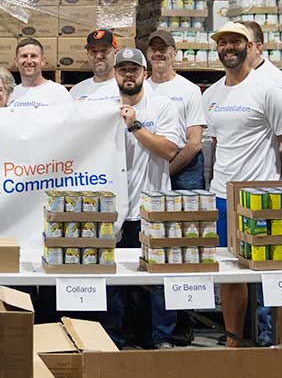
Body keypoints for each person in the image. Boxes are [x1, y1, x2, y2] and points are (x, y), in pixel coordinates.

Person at [203, 21, 282, 347]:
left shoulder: (270, 89)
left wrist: (279, 184)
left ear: (250, 46)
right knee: (230, 275)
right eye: (223, 42)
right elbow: (218, 143)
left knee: (279, 276)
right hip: (223, 197)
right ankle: (234, 345)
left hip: (265, 198)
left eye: (235, 41)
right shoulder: (212, 94)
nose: (228, 48)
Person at [99, 48, 185, 350]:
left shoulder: (163, 106)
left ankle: (160, 339)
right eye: (123, 69)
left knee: (156, 281)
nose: (128, 75)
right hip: (114, 211)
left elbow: (170, 150)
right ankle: (113, 340)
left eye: (134, 69)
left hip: (151, 208)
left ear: (144, 73)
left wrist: (134, 126)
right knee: (113, 282)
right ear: (114, 74)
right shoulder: (101, 110)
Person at [145, 30, 207, 190]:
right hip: (151, 163)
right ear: (148, 54)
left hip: (185, 166)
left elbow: (194, 143)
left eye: (163, 49)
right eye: (153, 49)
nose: (158, 53)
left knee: (188, 207)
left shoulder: (189, 90)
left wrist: (168, 170)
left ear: (174, 54)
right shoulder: (142, 90)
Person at [238, 20, 282, 103]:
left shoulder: (276, 83)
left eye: (239, 42)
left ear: (258, 47)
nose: (232, 48)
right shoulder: (229, 80)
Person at [8, 37, 71, 107]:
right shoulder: (10, 95)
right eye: (24, 56)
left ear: (43, 61)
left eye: (33, 56)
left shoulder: (59, 92)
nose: (29, 61)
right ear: (16, 62)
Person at [70, 30, 119, 101]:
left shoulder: (126, 88)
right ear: (88, 55)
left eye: (104, 50)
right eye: (94, 51)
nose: (99, 56)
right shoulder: (76, 91)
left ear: (116, 52)